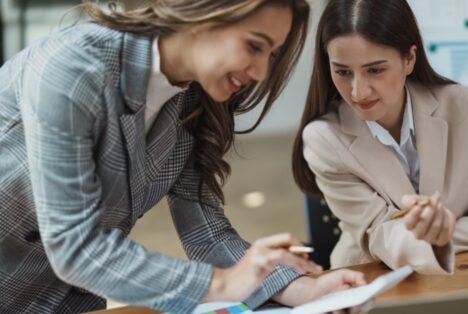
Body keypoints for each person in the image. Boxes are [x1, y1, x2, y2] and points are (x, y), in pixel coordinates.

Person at [0, 0, 366, 312]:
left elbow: (208, 236)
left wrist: (302, 289)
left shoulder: (192, 103)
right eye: (255, 46)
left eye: (271, 55)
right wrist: (222, 285)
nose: (261, 72)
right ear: (204, 14)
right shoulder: (74, 67)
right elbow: (75, 247)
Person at [292, 0, 468, 274]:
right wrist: (442, 238)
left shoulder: (458, 104)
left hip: (461, 273)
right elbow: (379, 235)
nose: (358, 92)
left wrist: (443, 237)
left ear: (409, 59)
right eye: (343, 72)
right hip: (369, 279)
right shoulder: (324, 138)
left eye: (375, 70)